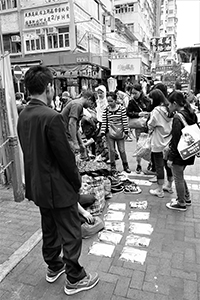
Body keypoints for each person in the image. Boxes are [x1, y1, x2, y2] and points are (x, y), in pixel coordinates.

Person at [17, 65, 99, 296]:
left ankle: (54, 266)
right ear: (49, 88)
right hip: (57, 187)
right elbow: (65, 159)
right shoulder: (51, 117)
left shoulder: (24, 114)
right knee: (71, 232)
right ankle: (75, 277)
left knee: (49, 229)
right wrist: (76, 183)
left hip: (38, 186)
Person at [166, 90, 198, 211]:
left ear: (174, 103)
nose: (168, 106)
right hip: (189, 150)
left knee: (177, 177)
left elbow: (175, 140)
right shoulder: (191, 113)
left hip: (180, 152)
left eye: (169, 104)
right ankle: (186, 197)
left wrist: (170, 158)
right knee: (180, 175)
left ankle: (181, 202)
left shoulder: (177, 117)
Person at [147, 89, 173, 198]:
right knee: (168, 165)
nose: (150, 101)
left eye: (151, 98)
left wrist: (149, 125)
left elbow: (151, 124)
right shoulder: (170, 109)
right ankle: (169, 185)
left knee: (159, 166)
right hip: (168, 141)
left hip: (158, 141)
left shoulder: (157, 111)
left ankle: (160, 190)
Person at [101, 92, 131, 174]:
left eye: (111, 101)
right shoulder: (106, 110)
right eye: (108, 101)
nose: (110, 103)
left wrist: (126, 131)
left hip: (120, 132)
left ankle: (125, 165)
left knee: (122, 150)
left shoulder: (121, 109)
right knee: (112, 150)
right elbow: (104, 122)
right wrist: (103, 133)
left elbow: (125, 121)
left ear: (115, 100)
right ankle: (113, 166)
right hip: (109, 133)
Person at [126, 83, 151, 173]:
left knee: (149, 146)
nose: (134, 95)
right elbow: (128, 113)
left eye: (135, 93)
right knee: (139, 146)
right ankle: (139, 164)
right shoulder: (132, 101)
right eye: (132, 93)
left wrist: (147, 114)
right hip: (139, 126)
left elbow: (151, 111)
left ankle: (150, 163)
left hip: (148, 126)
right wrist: (138, 114)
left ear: (140, 92)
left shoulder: (147, 100)